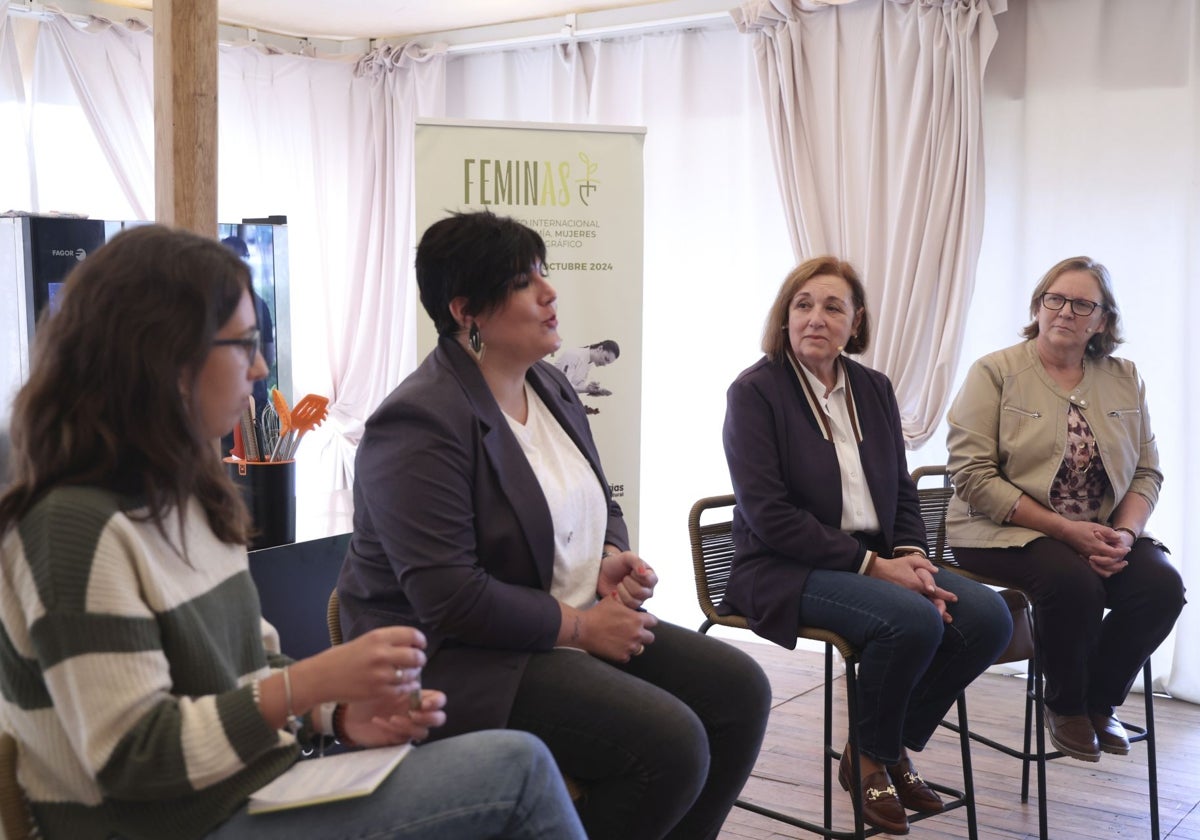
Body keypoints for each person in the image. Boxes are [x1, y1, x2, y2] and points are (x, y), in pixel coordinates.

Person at [0, 224, 586, 840]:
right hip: (176, 825)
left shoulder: (187, 495)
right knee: (518, 772)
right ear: (166, 358)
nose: (258, 366)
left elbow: (250, 669)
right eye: (245, 342)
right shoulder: (70, 528)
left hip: (255, 795)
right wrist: (309, 684)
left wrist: (336, 713)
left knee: (520, 764)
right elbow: (134, 758)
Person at [337, 211, 771, 840]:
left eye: (543, 272)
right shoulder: (418, 423)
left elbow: (599, 498)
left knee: (739, 691)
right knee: (671, 744)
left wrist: (609, 556)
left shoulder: (548, 385)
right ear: (467, 310)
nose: (549, 293)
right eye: (522, 281)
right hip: (463, 658)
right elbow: (450, 598)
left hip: (556, 626)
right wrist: (580, 627)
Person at [721, 256, 1012, 835]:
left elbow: (899, 489)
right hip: (783, 567)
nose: (815, 318)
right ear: (784, 317)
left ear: (856, 323)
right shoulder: (754, 392)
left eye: (833, 307)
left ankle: (883, 748)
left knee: (988, 617)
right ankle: (877, 761)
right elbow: (769, 515)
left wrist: (908, 553)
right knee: (911, 621)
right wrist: (873, 567)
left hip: (874, 558)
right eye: (802, 304)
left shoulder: (873, 388)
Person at [946, 256, 1185, 763]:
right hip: (1000, 532)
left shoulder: (1125, 378)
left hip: (1099, 531)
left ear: (1102, 320)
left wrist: (1124, 533)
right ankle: (1066, 706)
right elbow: (971, 476)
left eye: (1083, 304)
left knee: (1161, 587)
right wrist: (1065, 531)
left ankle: (1099, 702)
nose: (1066, 312)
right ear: (1037, 306)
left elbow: (1148, 472)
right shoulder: (995, 372)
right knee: (1072, 581)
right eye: (1055, 299)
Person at [553, 338, 620, 395]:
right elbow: (563, 385)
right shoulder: (574, 355)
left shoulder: (589, 363)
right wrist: (586, 389)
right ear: (600, 348)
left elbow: (576, 387)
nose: (604, 364)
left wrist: (592, 389)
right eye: (606, 359)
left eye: (607, 363)